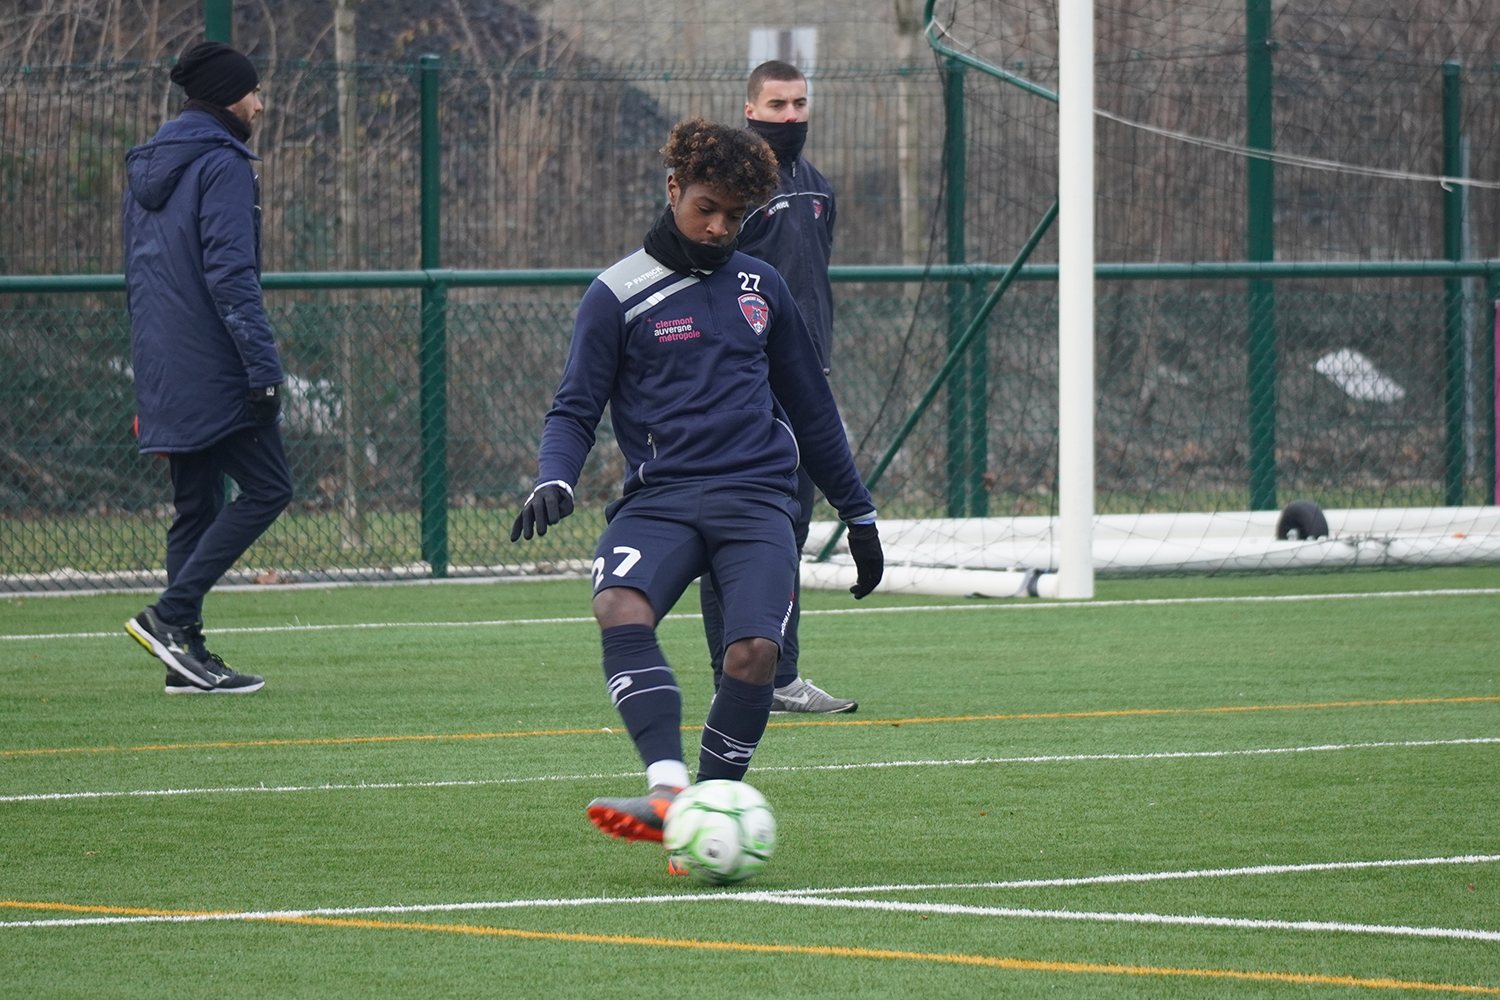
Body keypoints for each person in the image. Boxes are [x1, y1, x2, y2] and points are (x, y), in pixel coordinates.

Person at [511, 117, 884, 844]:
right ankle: (667, 788)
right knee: (618, 604)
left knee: (754, 655)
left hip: (758, 500)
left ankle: (709, 813)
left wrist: (860, 515)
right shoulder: (616, 293)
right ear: (674, 189)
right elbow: (574, 407)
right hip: (662, 500)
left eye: (734, 217)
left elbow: (813, 409)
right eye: (705, 209)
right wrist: (553, 477)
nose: (718, 228)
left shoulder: (762, 286)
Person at [121, 41, 291, 694]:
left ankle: (182, 661)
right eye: (252, 92)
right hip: (219, 366)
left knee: (195, 509)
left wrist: (151, 373)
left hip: (165, 365)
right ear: (227, 97)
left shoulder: (149, 167)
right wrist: (262, 368)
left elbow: (143, 280)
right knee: (270, 488)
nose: (260, 103)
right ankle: (169, 618)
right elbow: (229, 273)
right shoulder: (222, 164)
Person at [698, 59, 854, 714]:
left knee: (789, 532)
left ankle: (780, 676)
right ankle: (736, 678)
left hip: (806, 388)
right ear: (750, 110)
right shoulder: (727, 193)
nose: (792, 116)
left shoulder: (817, 189)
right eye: (778, 104)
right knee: (731, 533)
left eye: (800, 104)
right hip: (742, 389)